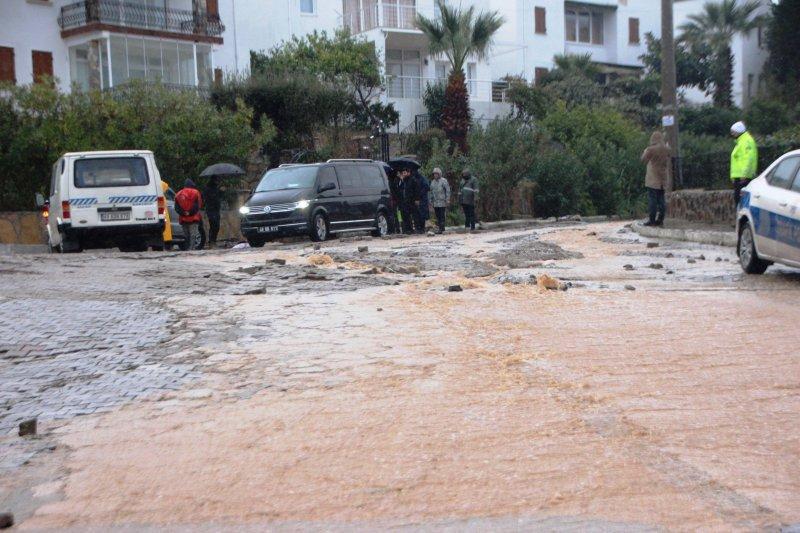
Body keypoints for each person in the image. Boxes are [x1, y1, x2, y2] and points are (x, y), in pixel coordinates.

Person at [640, 131, 671, 227]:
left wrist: (645, 151)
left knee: (652, 200)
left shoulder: (650, 149)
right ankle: (660, 219)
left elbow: (643, 160)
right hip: (663, 178)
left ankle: (652, 220)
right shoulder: (667, 149)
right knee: (661, 200)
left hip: (653, 178)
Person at [730, 121, 758, 207]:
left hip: (743, 177)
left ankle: (742, 218)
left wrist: (745, 174)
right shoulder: (741, 141)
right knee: (738, 200)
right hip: (739, 176)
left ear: (738, 131)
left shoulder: (746, 141)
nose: (732, 134)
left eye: (733, 131)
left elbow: (748, 158)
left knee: (741, 201)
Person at [174, 178, 203, 250]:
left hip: (183, 218)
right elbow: (198, 205)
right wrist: (190, 212)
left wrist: (183, 213)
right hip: (194, 218)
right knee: (193, 235)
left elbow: (176, 207)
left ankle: (187, 248)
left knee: (187, 235)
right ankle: (192, 248)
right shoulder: (196, 192)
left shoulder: (178, 194)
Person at [397, 168, 420, 234]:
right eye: (402, 173)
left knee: (415, 215)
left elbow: (416, 190)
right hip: (405, 201)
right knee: (406, 215)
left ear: (408, 173)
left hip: (412, 200)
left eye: (404, 173)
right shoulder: (403, 181)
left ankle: (417, 228)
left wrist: (417, 199)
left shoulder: (413, 180)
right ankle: (408, 229)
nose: (403, 174)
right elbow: (400, 190)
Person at [429, 167, 451, 234]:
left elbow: (447, 190)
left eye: (436, 174)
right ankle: (439, 228)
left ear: (439, 174)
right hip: (435, 202)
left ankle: (442, 228)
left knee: (442, 215)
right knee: (437, 216)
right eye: (434, 174)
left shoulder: (444, 181)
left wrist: (447, 200)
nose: (435, 175)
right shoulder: (432, 182)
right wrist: (430, 201)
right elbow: (431, 192)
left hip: (442, 202)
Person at [203, 176, 223, 247]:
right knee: (213, 225)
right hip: (210, 209)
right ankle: (211, 241)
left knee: (217, 226)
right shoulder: (207, 188)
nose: (218, 182)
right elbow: (208, 198)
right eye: (217, 180)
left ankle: (213, 241)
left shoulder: (216, 188)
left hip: (216, 209)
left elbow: (219, 197)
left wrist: (221, 191)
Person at [415, 169, 430, 234]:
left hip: (423, 199)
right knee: (419, 214)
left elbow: (427, 187)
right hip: (418, 199)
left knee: (422, 214)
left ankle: (422, 228)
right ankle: (420, 228)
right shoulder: (416, 179)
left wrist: (420, 194)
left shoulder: (423, 179)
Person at [160, 180, 173, 245]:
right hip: (163, 208)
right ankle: (166, 241)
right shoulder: (161, 183)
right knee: (165, 224)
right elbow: (166, 185)